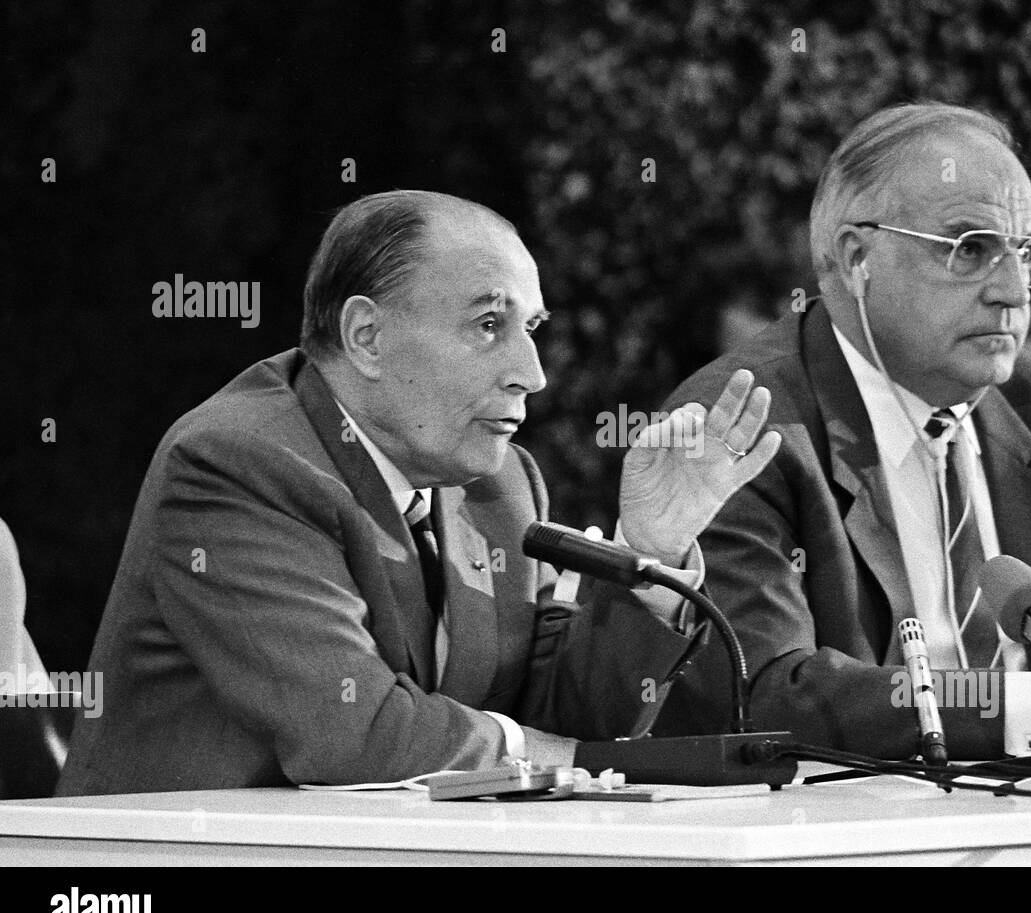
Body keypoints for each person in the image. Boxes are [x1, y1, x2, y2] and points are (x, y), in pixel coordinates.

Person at [56, 190, 779, 795]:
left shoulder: (501, 483)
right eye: (490, 325)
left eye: (530, 329)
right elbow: (356, 735)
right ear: (367, 336)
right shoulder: (236, 463)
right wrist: (561, 761)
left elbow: (564, 712)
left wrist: (649, 548)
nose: (533, 372)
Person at [654, 103, 1031, 757]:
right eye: (971, 249)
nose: (1013, 291)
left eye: (1027, 254)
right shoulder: (743, 417)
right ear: (858, 259)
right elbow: (765, 694)